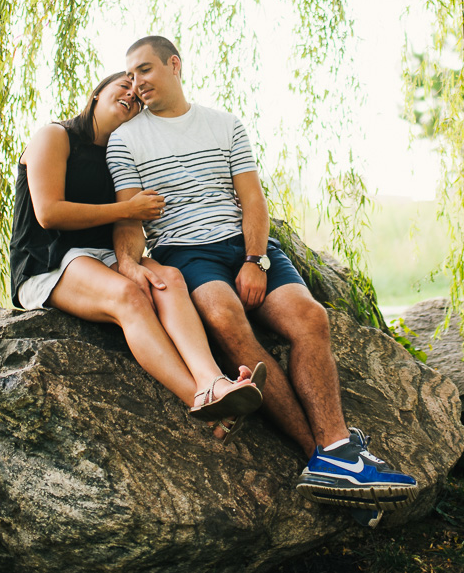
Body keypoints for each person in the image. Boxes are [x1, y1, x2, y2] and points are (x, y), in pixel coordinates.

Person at [107, 36, 418, 520]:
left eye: (145, 70)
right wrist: (129, 264)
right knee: (225, 317)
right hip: (187, 253)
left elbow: (252, 200)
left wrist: (255, 260)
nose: (137, 83)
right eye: (130, 75)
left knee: (310, 318)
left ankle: (334, 454)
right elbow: (129, 219)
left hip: (245, 246)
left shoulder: (225, 124)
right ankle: (333, 458)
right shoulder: (125, 140)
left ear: (174, 65)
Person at [10, 70, 264, 432]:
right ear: (97, 93)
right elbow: (49, 213)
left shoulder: (120, 153)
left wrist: (131, 260)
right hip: (46, 261)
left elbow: (130, 230)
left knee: (169, 279)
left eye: (137, 95)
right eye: (122, 86)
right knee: (130, 296)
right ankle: (201, 400)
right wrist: (127, 210)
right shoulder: (56, 136)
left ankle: (214, 382)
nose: (132, 94)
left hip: (101, 258)